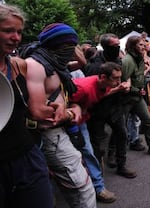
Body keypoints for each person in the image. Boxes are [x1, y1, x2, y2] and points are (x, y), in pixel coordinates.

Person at [25, 23, 96, 208]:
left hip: (61, 131)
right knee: (82, 189)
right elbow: (38, 111)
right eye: (67, 45)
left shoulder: (56, 64)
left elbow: (82, 63)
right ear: (54, 44)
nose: (71, 50)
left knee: (68, 185)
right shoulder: (37, 66)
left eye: (74, 45)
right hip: (51, 134)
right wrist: (73, 112)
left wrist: (75, 43)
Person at [0, 4, 54, 208]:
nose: (16, 37)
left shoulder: (18, 65)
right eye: (8, 30)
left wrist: (58, 108)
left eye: (19, 32)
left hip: (26, 156)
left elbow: (33, 109)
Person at [70, 62, 129, 203]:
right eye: (115, 78)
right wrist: (77, 106)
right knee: (82, 154)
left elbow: (105, 92)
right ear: (103, 77)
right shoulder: (83, 88)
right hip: (69, 123)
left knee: (88, 152)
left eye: (120, 78)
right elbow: (65, 101)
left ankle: (98, 187)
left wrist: (118, 88)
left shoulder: (105, 85)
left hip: (82, 121)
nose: (118, 82)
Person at [84, 33, 137, 178]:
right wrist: (117, 89)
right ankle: (96, 173)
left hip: (115, 106)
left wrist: (126, 85)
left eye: (118, 45)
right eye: (114, 46)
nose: (118, 48)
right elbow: (92, 92)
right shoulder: (94, 65)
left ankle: (121, 164)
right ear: (106, 47)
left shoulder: (117, 60)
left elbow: (126, 78)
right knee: (97, 142)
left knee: (122, 134)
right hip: (98, 108)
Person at [122, 35, 150, 157]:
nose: (144, 47)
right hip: (126, 98)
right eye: (140, 45)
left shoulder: (139, 59)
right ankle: (113, 154)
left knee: (147, 121)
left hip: (137, 96)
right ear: (132, 46)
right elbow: (123, 83)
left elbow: (139, 77)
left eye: (143, 45)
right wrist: (136, 90)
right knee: (120, 127)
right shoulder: (127, 61)